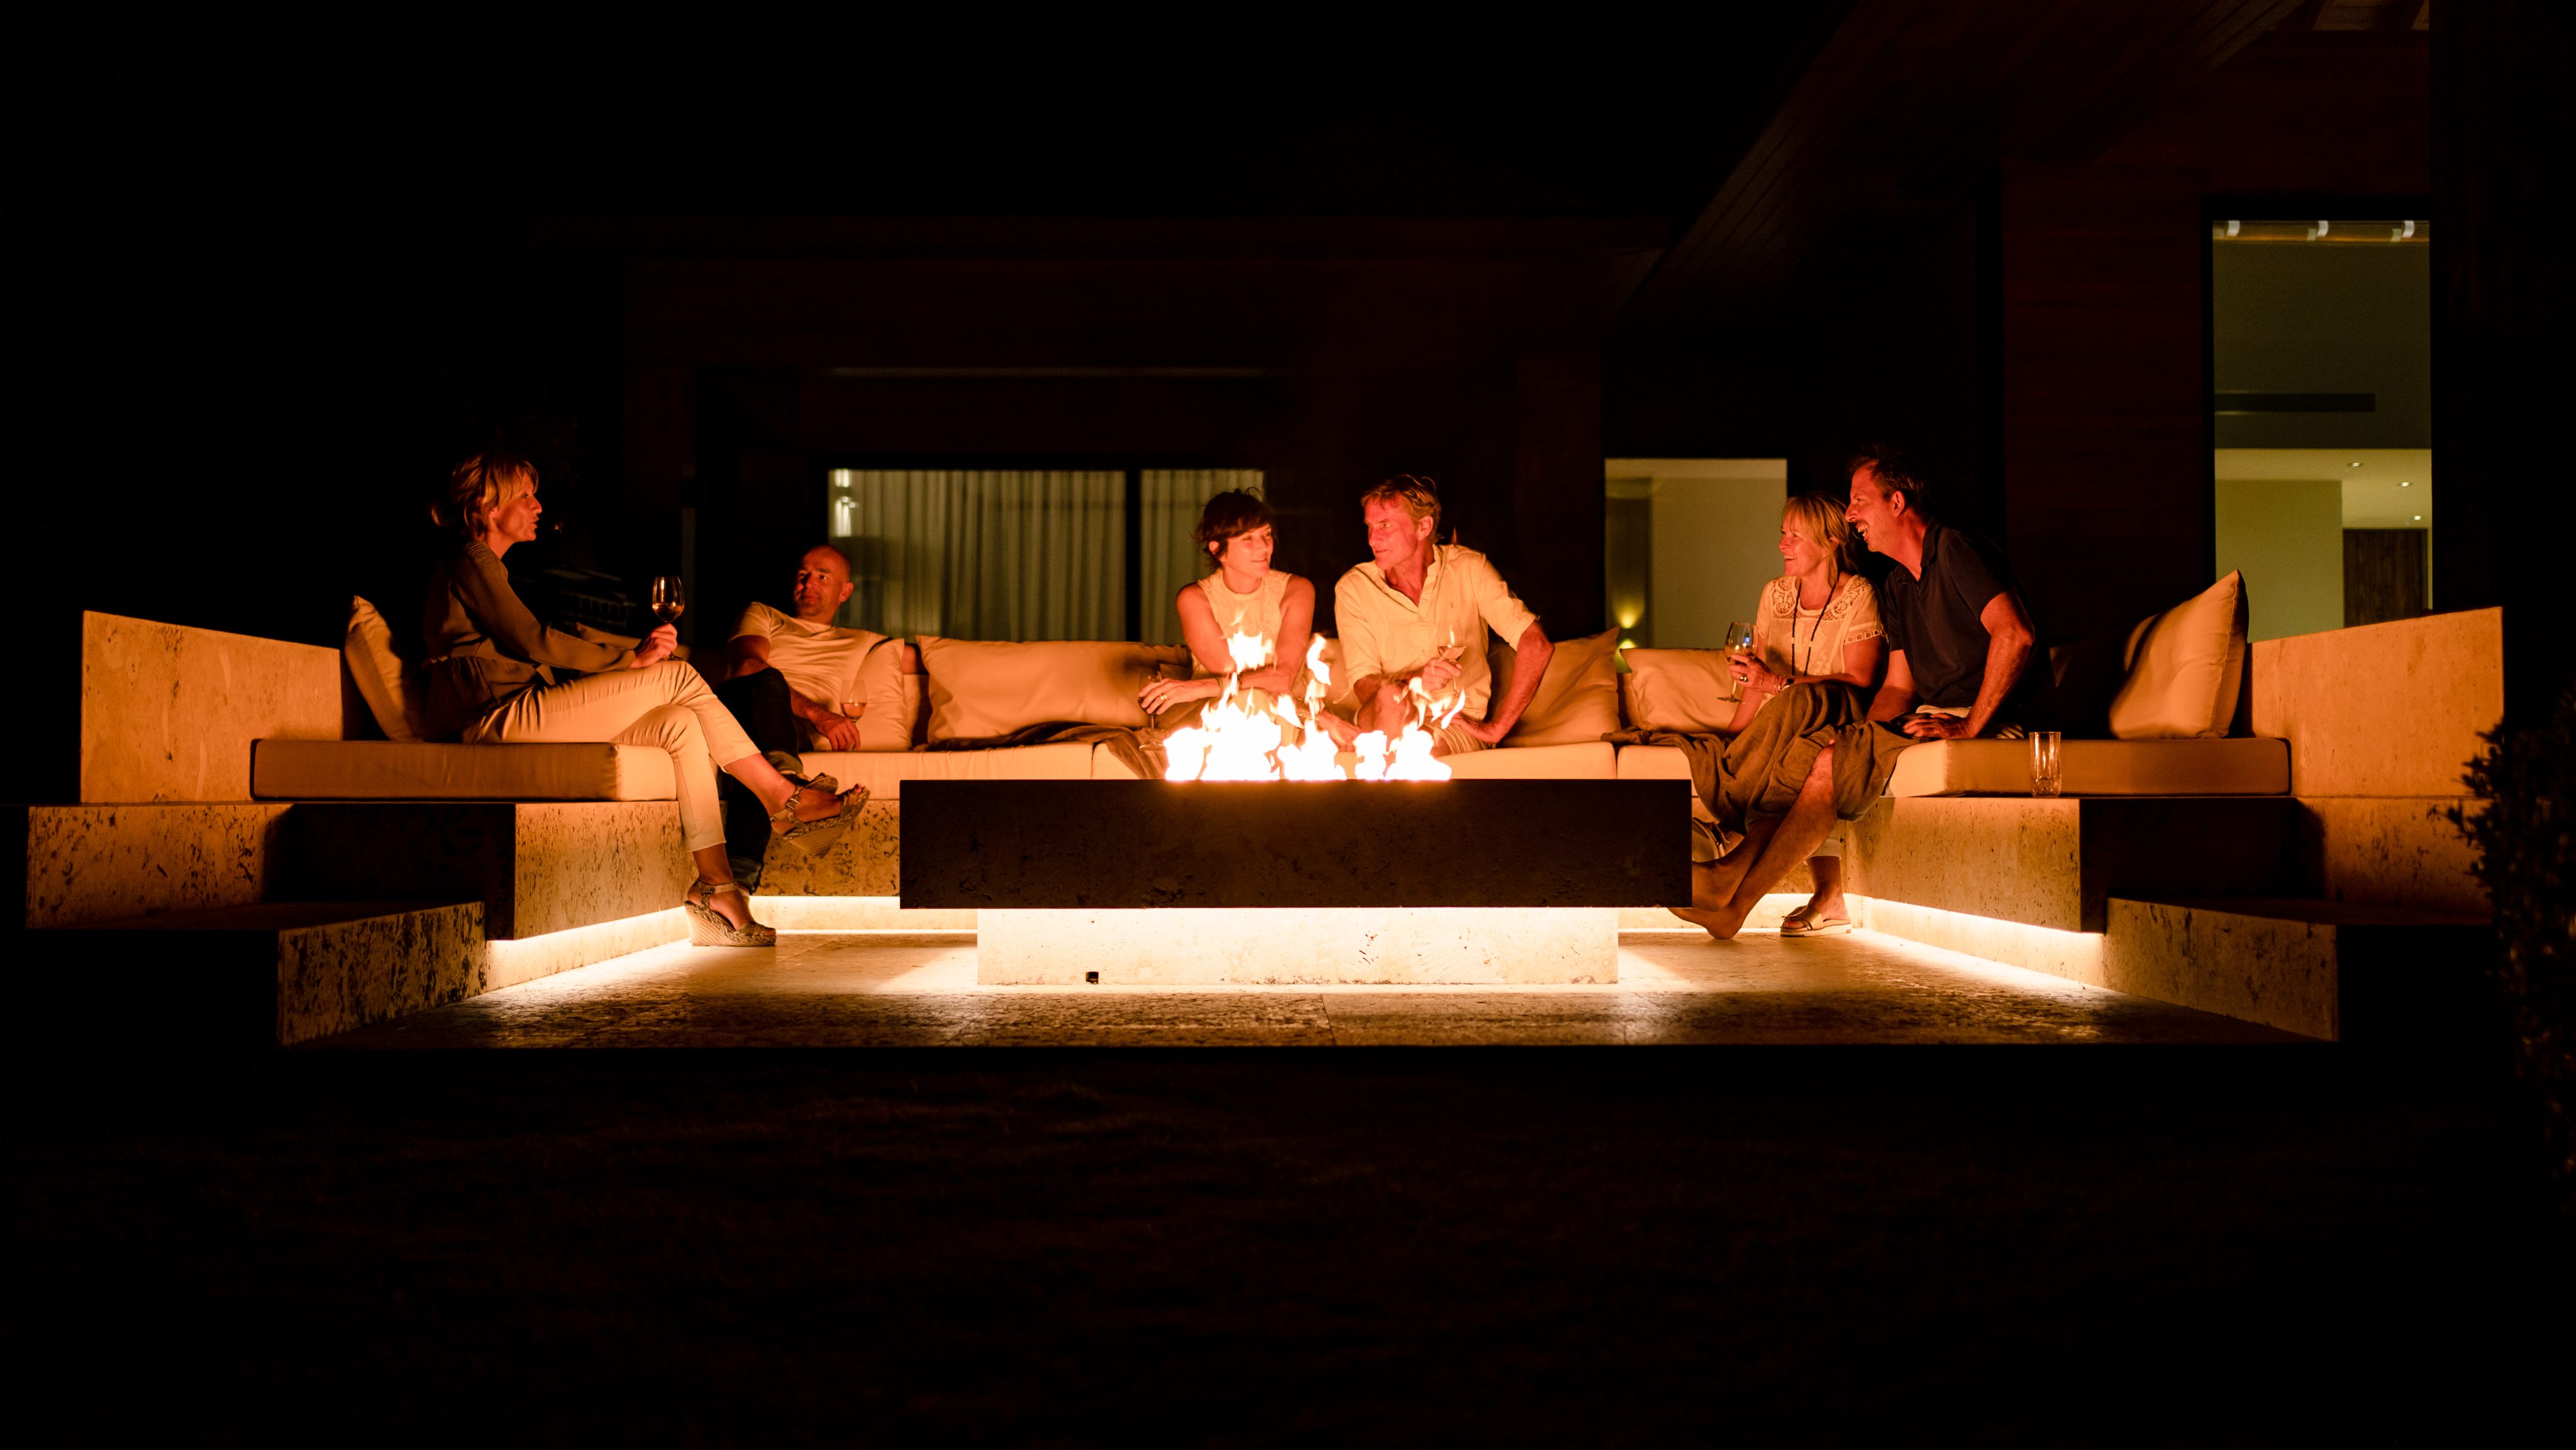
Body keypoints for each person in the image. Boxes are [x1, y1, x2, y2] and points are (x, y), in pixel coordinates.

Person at [419, 454, 858, 947]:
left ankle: (718, 888)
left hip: (517, 705)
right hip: (493, 717)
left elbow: (535, 645)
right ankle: (782, 796)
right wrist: (630, 659)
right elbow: (534, 641)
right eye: (525, 495)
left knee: (681, 724)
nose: (538, 505)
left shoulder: (487, 565)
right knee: (679, 678)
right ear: (488, 507)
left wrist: (627, 657)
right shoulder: (470, 558)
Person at [1678, 447, 2046, 941]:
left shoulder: (1955, 550)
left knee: (1832, 764)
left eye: (1859, 501)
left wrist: (1970, 725)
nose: (1851, 515)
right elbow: (1897, 685)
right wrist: (1856, 735)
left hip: (2000, 718)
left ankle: (1736, 902)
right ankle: (1731, 874)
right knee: (1810, 754)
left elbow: (2016, 633)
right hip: (1931, 714)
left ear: (1897, 502)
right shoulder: (1897, 585)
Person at [1719, 493, 1885, 937]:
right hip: (1785, 720)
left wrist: (1778, 684)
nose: (1782, 544)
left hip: (1835, 713)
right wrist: (1729, 739)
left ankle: (1733, 879)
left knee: (1810, 747)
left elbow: (1860, 679)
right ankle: (1824, 895)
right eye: (1782, 533)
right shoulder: (1774, 595)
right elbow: (1757, 686)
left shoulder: (1859, 594)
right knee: (1767, 749)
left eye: (1794, 535)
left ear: (1831, 542)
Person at [706, 544, 898, 886]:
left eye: (822, 577)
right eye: (803, 574)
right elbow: (746, 666)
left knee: (761, 753)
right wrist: (821, 715)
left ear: (845, 591)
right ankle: (792, 788)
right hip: (737, 707)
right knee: (769, 678)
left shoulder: (864, 641)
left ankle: (740, 879)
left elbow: (939, 661)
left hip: (787, 733)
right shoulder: (763, 615)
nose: (809, 582)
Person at [1332, 475, 1552, 754]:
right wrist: (1417, 681)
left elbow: (1537, 645)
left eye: (1385, 525)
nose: (1373, 539)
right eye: (1370, 526)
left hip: (1451, 723)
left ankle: (1379, 791)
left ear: (1423, 526)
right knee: (1389, 698)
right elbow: (1365, 688)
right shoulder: (1354, 587)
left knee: (1416, 747)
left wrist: (1497, 728)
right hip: (1382, 717)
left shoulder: (1469, 569)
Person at [1137, 490, 1316, 725]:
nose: (1263, 547)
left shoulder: (1297, 591)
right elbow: (1233, 679)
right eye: (1247, 539)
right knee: (1248, 704)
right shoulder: (1195, 599)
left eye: (1267, 535)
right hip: (1218, 715)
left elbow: (1284, 679)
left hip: (1286, 714)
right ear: (1217, 550)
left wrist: (1198, 687)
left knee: (1257, 704)